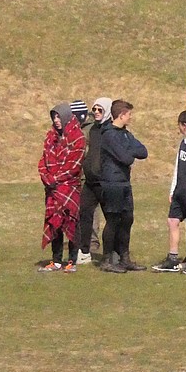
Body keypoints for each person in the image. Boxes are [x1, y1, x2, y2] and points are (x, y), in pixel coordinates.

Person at [153, 111, 186, 275]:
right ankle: (173, 258)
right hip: (180, 191)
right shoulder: (184, 142)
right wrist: (173, 189)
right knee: (173, 221)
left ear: (184, 125)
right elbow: (178, 167)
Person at [98, 100, 149, 274]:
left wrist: (128, 150)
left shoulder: (125, 134)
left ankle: (124, 258)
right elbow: (126, 159)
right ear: (121, 115)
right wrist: (129, 151)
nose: (131, 117)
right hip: (111, 183)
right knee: (113, 221)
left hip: (125, 182)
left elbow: (143, 151)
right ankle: (106, 259)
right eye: (129, 114)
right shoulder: (109, 135)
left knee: (127, 219)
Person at [37, 103, 87, 272]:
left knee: (72, 221)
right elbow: (43, 161)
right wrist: (46, 177)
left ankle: (72, 260)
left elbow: (74, 165)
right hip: (52, 188)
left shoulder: (78, 137)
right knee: (54, 222)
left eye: (58, 117)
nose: (56, 120)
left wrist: (56, 179)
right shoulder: (50, 137)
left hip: (69, 187)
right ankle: (56, 260)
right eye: (54, 117)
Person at [76, 98, 112, 265]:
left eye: (99, 110)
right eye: (94, 109)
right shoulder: (94, 130)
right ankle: (84, 251)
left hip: (106, 182)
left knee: (112, 218)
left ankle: (112, 253)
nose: (96, 112)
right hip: (90, 181)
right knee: (85, 213)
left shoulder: (111, 131)